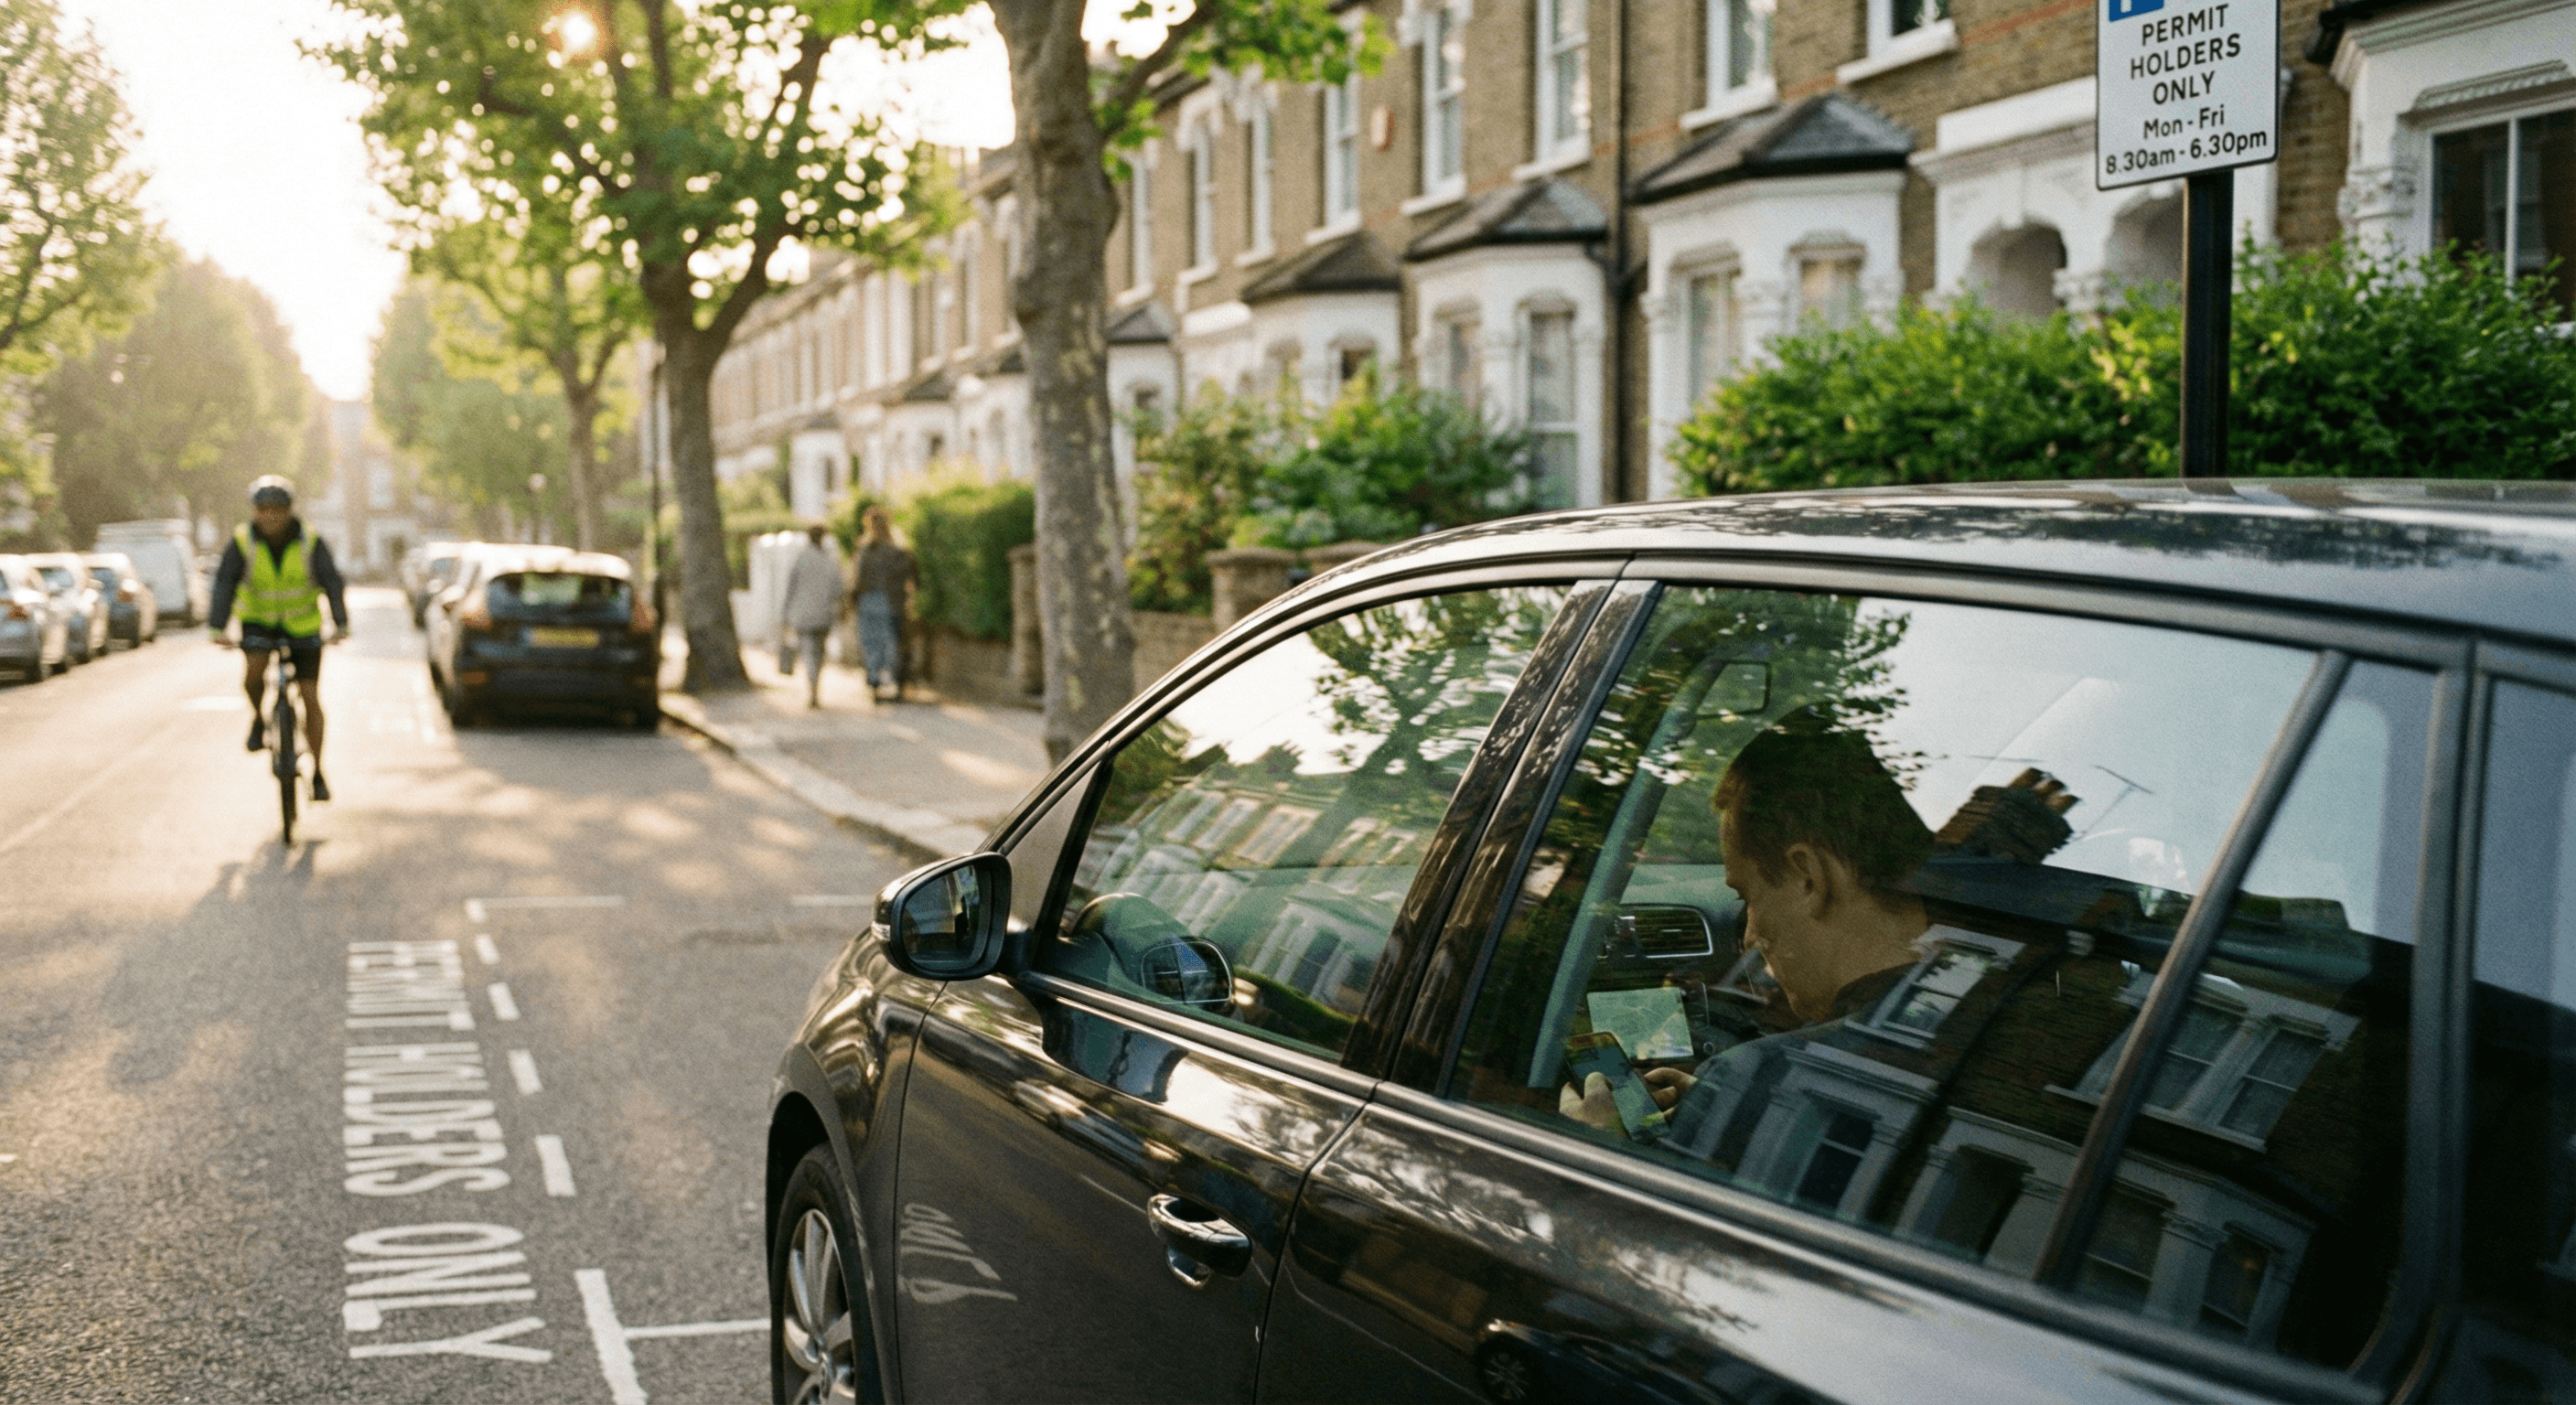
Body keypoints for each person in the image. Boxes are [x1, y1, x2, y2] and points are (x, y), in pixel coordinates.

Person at [1562, 712, 1936, 1167]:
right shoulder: (1960, 1020)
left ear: (1807, 879)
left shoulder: (1761, 1075)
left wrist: (1597, 1147)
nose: (1748, 936)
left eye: (1748, 896)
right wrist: (1721, 1108)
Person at [209, 476, 351, 800]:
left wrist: (340, 624)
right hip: (258, 622)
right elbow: (225, 583)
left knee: (310, 696)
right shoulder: (242, 541)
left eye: (277, 509)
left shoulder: (310, 541)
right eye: (263, 509)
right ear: (256, 511)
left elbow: (331, 581)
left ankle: (317, 771)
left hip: (303, 627)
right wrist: (219, 627)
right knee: (254, 675)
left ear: (289, 511)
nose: (270, 516)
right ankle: (259, 719)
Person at [850, 507, 915, 703]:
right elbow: (910, 577)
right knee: (892, 644)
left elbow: (857, 579)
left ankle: (876, 684)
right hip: (892, 602)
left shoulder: (866, 551)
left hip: (869, 602)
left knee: (872, 644)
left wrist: (852, 601)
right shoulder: (898, 550)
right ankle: (893, 685)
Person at [779, 523, 843, 709]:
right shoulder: (829, 561)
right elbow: (838, 588)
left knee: (808, 652)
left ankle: (812, 689)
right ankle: (815, 688)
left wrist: (785, 615)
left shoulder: (800, 559)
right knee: (819, 653)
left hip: (802, 615)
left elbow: (790, 589)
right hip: (823, 614)